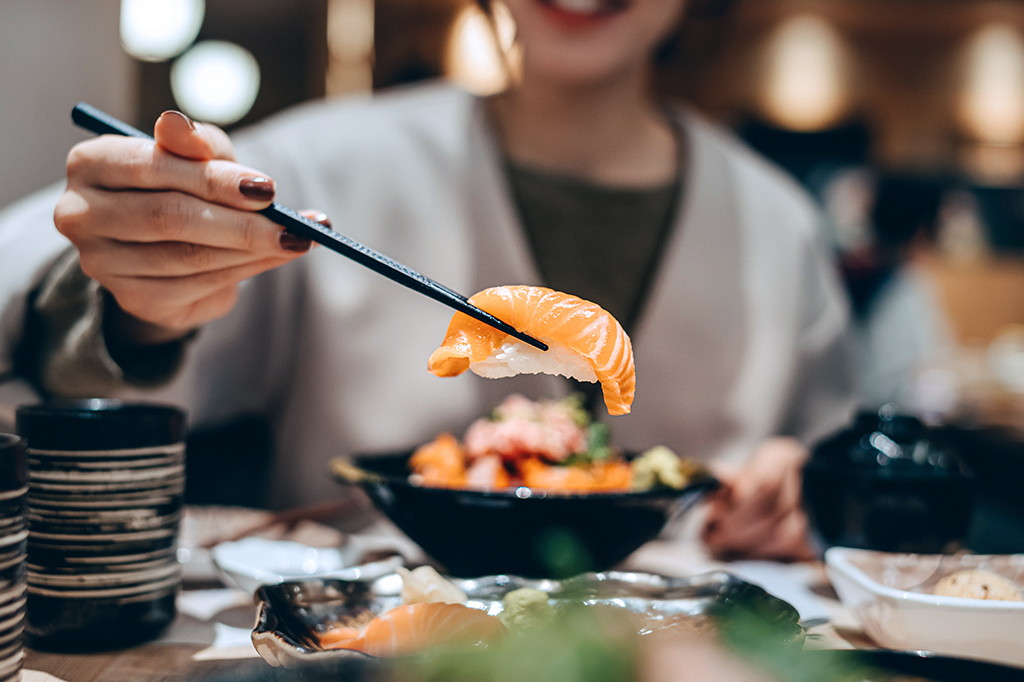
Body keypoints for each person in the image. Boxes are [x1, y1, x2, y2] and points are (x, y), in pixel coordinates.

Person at [0, 0, 854, 560]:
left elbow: (837, 483)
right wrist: (137, 304)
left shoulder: (778, 225)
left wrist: (795, 500)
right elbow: (76, 350)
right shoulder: (326, 163)